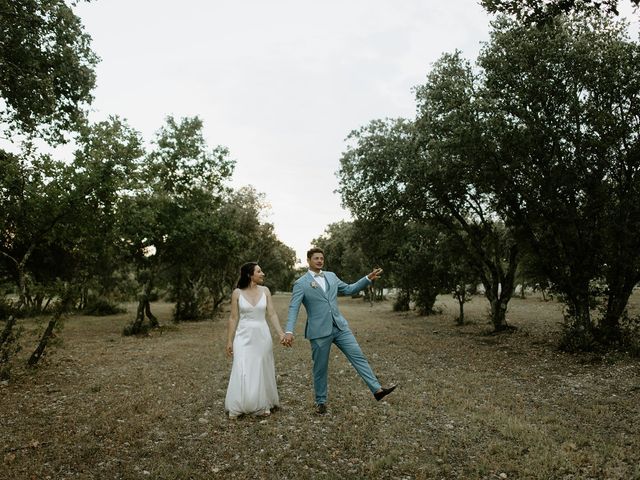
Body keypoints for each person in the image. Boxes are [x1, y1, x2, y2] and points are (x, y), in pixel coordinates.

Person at [283, 247, 396, 414]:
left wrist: (367, 278)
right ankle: (320, 402)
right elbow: (294, 308)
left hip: (340, 327)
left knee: (358, 356)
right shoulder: (301, 283)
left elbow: (349, 289)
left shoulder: (331, 276)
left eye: (322, 258)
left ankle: (377, 390)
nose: (320, 261)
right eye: (316, 258)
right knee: (320, 369)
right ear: (308, 260)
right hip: (319, 332)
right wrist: (289, 331)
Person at [225, 262, 286, 419]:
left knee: (260, 366)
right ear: (249, 275)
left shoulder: (265, 291)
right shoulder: (237, 293)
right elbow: (233, 317)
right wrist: (230, 341)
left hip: (262, 334)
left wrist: (280, 334)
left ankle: (262, 403)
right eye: (259, 271)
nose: (263, 273)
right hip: (243, 335)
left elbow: (271, 314)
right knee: (242, 365)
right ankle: (239, 404)